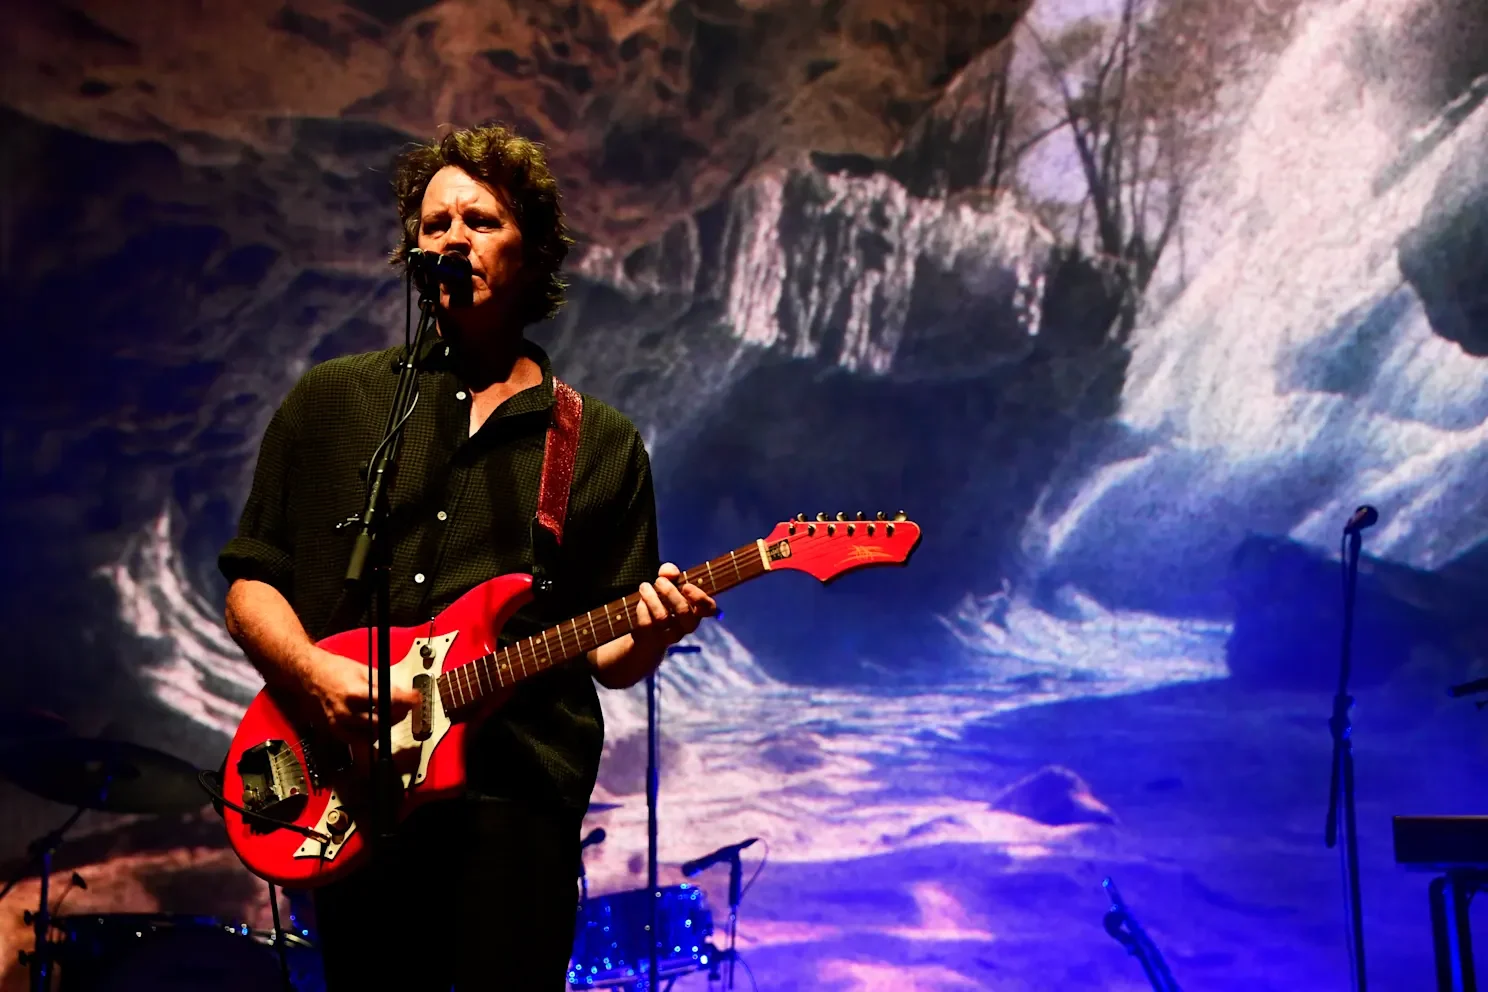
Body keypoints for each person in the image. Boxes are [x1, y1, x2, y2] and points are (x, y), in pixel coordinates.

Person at [219, 123, 716, 990]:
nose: (453, 238)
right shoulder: (332, 403)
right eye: (434, 224)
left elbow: (609, 655)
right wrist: (312, 675)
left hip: (516, 806)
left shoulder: (597, 442)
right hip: (358, 795)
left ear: (535, 251)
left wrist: (651, 631)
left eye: (480, 220)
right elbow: (252, 584)